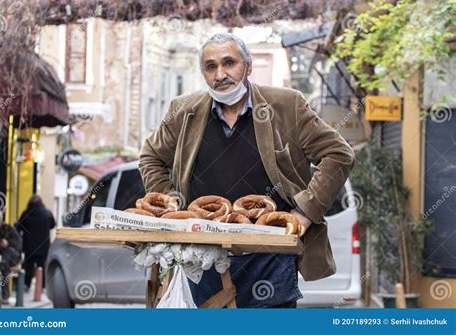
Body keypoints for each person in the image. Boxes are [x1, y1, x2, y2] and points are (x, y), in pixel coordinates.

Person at [139, 33, 355, 308]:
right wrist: (170, 203)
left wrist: (305, 212)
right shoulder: (183, 111)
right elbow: (151, 157)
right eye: (211, 66)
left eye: (229, 63)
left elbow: (339, 154)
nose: (220, 74)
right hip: (203, 254)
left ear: (248, 66)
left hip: (269, 255)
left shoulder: (287, 106)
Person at [15, 195, 56, 290]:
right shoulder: (47, 213)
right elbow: (52, 225)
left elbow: (19, 227)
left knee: (28, 266)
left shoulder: (26, 213)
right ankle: (42, 286)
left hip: (29, 245)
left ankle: (27, 284)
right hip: (43, 245)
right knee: (42, 265)